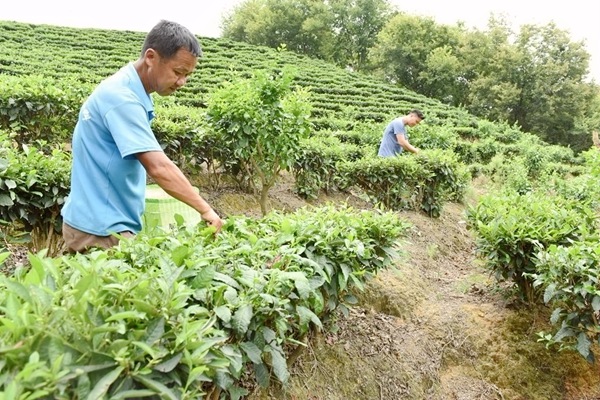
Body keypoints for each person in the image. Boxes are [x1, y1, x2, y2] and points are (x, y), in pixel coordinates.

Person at [61, 20, 224, 253]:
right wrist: (206, 210)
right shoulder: (122, 98)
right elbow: (159, 167)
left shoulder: (127, 89)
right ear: (150, 57)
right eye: (178, 72)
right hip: (101, 230)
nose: (182, 82)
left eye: (188, 75)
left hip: (97, 221)